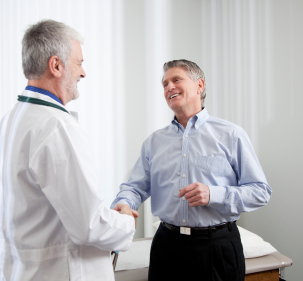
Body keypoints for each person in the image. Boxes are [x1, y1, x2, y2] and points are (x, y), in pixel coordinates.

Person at [0, 20, 137, 281]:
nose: (83, 73)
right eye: (79, 62)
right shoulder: (56, 127)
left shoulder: (10, 121)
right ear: (56, 66)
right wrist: (126, 221)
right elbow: (89, 226)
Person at [111, 59, 272, 281]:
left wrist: (214, 193)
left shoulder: (231, 135)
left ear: (200, 85)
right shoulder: (154, 142)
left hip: (217, 248)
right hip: (166, 247)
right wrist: (124, 204)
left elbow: (260, 191)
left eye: (176, 79)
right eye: (165, 83)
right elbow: (134, 187)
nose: (169, 87)